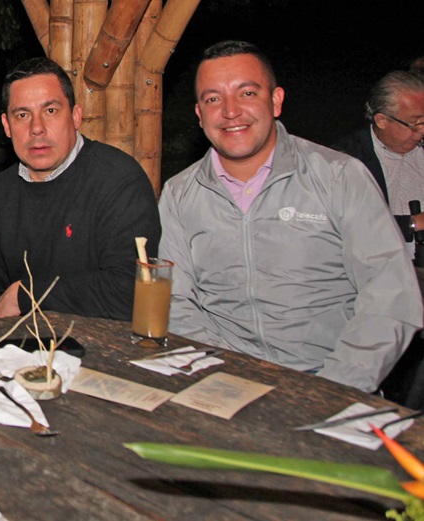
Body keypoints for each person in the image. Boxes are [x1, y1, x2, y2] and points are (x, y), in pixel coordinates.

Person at [158, 40, 423, 392]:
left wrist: (333, 389)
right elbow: (175, 302)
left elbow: (392, 296)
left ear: (276, 100)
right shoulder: (180, 194)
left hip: (329, 380)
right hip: (224, 380)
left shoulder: (338, 177)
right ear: (199, 114)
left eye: (247, 93)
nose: (230, 111)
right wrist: (220, 376)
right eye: (213, 99)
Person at [0, 57, 161, 327]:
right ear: (7, 126)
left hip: (103, 345)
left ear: (76, 116)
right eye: (22, 115)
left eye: (50, 111)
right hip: (19, 346)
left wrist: (29, 295)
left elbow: (131, 292)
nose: (36, 128)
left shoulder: (119, 181)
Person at [334, 71, 424, 244]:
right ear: (382, 120)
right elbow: (344, 222)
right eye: (415, 124)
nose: (422, 130)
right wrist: (411, 223)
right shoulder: (346, 158)